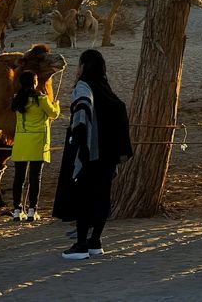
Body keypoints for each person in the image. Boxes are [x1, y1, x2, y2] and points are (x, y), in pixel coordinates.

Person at [53, 49, 132, 259]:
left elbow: (81, 112)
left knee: (84, 198)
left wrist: (77, 142)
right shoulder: (106, 89)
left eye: (79, 64)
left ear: (84, 66)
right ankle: (95, 241)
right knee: (101, 198)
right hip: (109, 155)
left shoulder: (83, 86)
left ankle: (80, 246)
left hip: (89, 154)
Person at [10, 70, 60, 222]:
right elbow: (54, 114)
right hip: (38, 140)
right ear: (35, 82)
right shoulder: (41, 99)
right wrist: (56, 104)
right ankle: (32, 210)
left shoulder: (16, 99)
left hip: (21, 141)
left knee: (19, 178)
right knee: (35, 177)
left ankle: (17, 210)